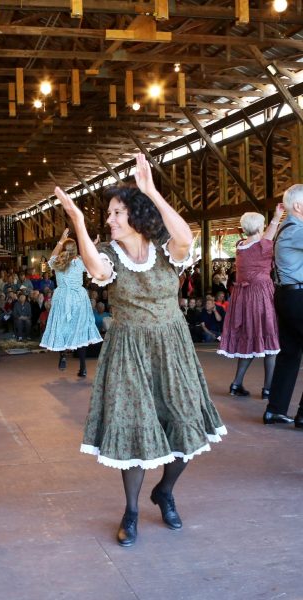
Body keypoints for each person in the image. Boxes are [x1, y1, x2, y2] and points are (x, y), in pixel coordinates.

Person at [54, 153, 226, 547]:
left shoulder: (166, 249)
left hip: (172, 345)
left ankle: (164, 491)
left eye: (117, 213)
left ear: (136, 215)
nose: (110, 220)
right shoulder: (110, 255)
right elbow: (96, 270)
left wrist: (149, 190)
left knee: (186, 423)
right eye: (108, 214)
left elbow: (186, 238)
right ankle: (131, 511)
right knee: (134, 429)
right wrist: (78, 223)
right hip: (129, 349)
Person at [218, 207, 283, 399]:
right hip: (260, 294)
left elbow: (263, 238)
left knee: (250, 339)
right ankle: (268, 388)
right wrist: (277, 218)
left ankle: (236, 384)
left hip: (242, 296)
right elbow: (267, 239)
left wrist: (275, 218)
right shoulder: (264, 246)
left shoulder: (240, 245)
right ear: (259, 227)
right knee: (270, 338)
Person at [263, 184, 303, 427]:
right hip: (297, 297)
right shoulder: (295, 229)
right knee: (289, 354)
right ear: (298, 206)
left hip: (289, 297)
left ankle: (275, 410)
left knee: (290, 354)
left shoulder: (290, 228)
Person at [39, 228, 102, 377]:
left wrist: (61, 240)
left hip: (62, 296)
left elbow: (51, 257)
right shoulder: (80, 262)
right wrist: (93, 245)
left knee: (61, 326)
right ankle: (83, 367)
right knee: (79, 329)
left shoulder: (58, 262)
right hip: (79, 298)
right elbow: (91, 259)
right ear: (75, 251)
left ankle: (62, 356)